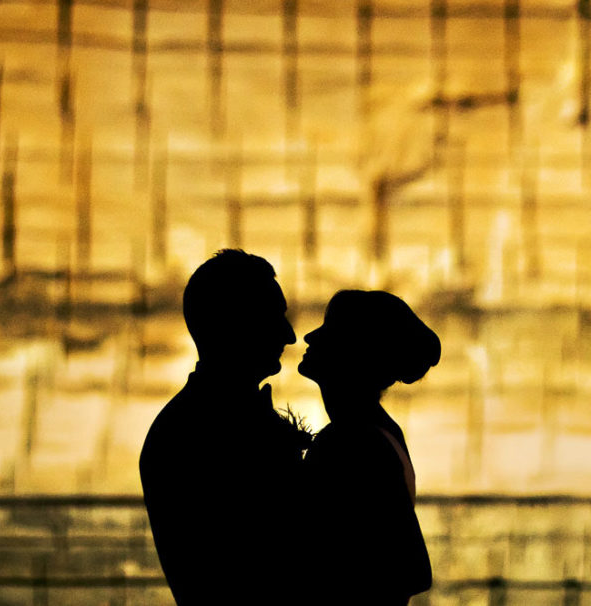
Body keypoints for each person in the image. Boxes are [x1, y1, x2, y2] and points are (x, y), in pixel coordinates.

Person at [139, 249, 306, 605]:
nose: (290, 336)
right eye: (275, 317)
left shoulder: (180, 427)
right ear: (238, 324)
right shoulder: (204, 431)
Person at [297, 289, 441, 606]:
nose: (309, 336)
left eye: (328, 330)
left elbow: (413, 568)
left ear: (354, 351)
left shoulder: (350, 442)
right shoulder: (378, 431)